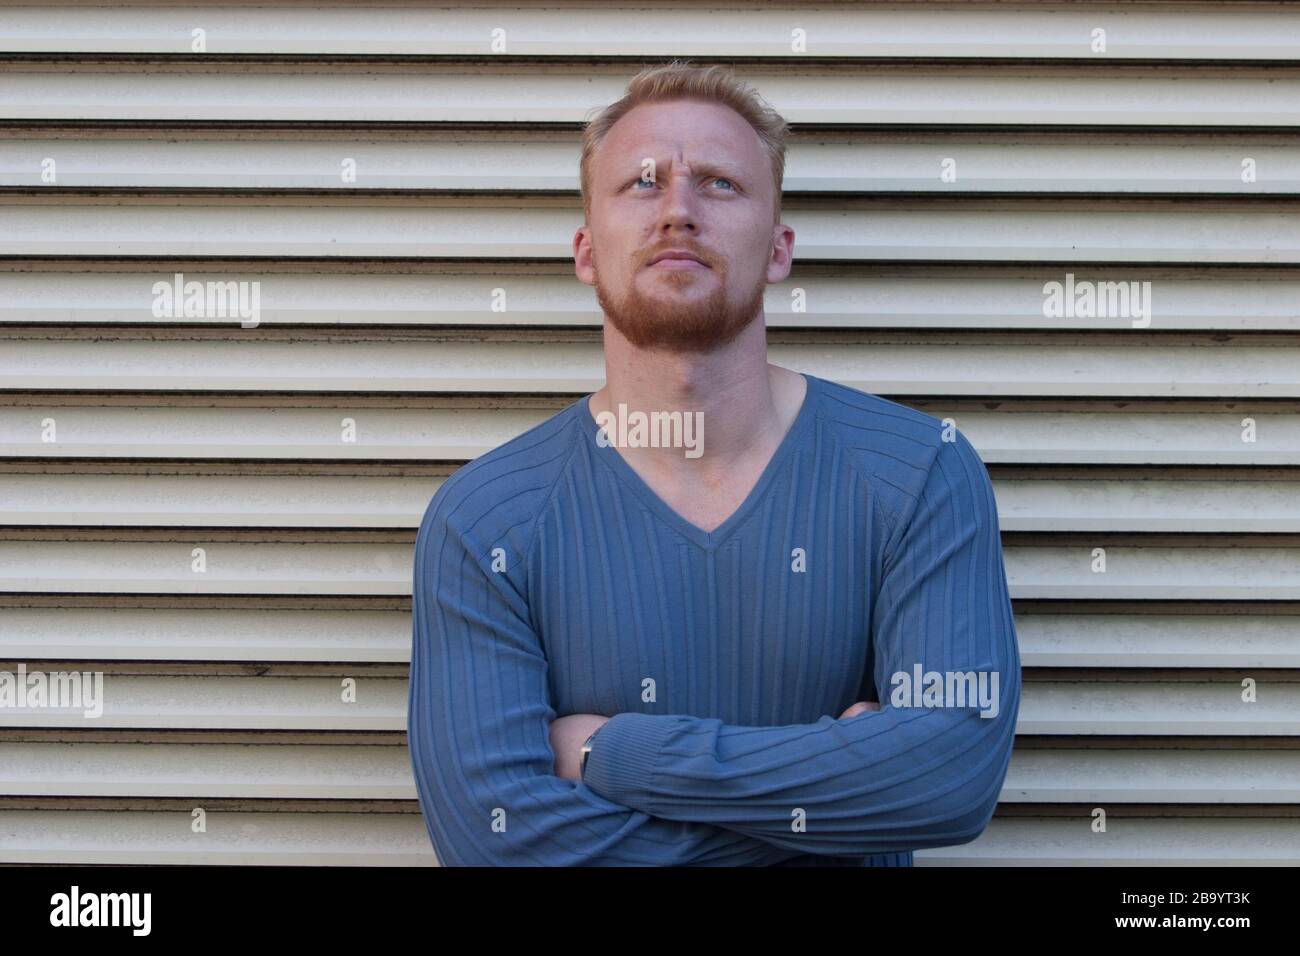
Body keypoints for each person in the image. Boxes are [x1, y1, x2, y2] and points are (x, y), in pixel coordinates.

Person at [407, 60, 1020, 866]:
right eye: (641, 184)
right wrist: (834, 797)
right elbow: (501, 844)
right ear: (587, 251)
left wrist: (612, 756)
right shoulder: (486, 521)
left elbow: (949, 780)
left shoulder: (916, 475)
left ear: (778, 248)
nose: (678, 212)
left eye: (721, 184)